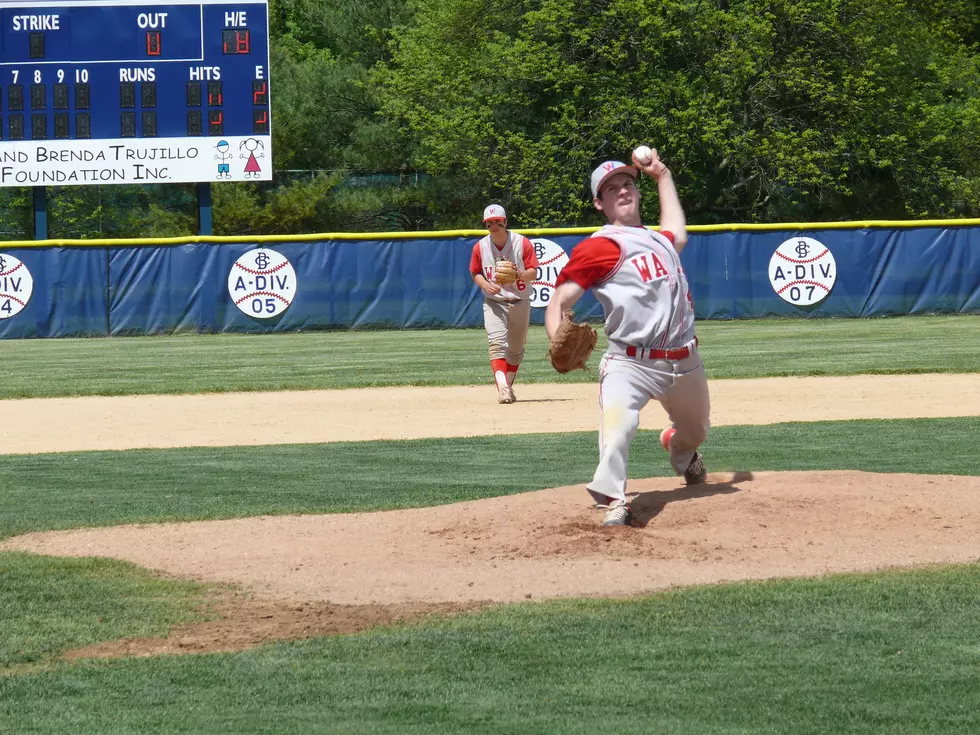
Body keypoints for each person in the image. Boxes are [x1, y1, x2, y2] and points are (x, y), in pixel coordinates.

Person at [544, 150, 710, 526]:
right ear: (599, 203)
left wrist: (662, 175)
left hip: (684, 361)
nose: (622, 191)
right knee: (618, 426)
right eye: (611, 188)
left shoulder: (660, 240)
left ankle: (681, 450)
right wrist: (556, 337)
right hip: (629, 362)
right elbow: (558, 301)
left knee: (697, 430)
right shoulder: (599, 246)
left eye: (627, 184)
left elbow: (678, 232)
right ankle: (614, 498)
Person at [470, 204, 540, 403]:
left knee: (516, 350)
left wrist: (519, 274)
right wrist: (485, 284)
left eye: (497, 222)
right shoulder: (480, 246)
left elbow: (534, 271)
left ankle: (507, 386)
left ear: (505, 222)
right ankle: (502, 388)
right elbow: (475, 272)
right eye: (489, 223)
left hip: (520, 300)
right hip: (494, 301)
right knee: (497, 344)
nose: (494, 226)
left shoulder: (522, 243)